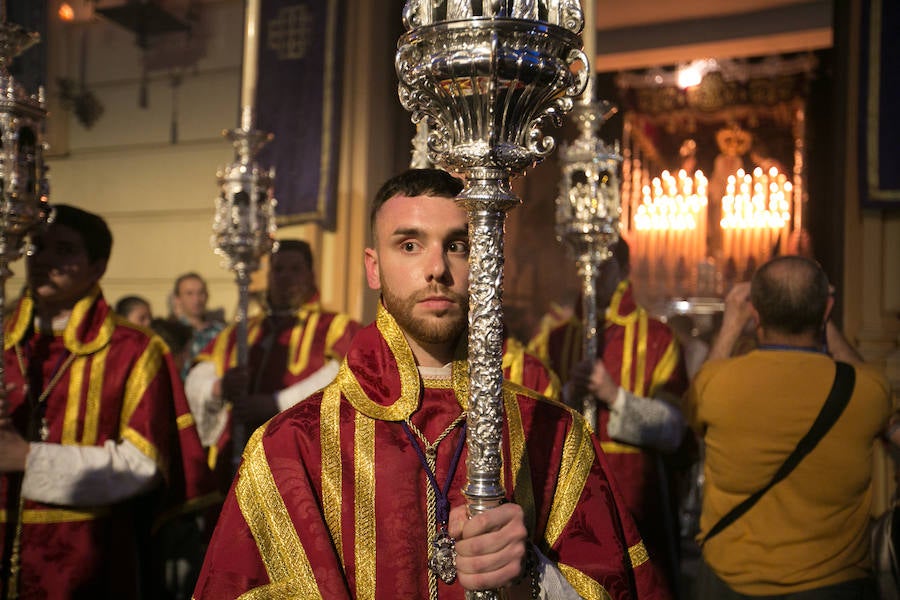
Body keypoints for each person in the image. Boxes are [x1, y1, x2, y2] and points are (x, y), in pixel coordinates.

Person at [194, 168, 670, 599]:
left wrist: (528, 575)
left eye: (457, 245)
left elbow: (614, 588)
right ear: (373, 266)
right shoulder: (290, 445)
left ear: (482, 260)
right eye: (409, 245)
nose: (437, 268)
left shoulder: (555, 434)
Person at [0, 204, 214, 598]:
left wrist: (29, 458)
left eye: (64, 250)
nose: (44, 260)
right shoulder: (6, 338)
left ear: (97, 267)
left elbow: (142, 464)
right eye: (37, 247)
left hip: (83, 562)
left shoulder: (133, 348)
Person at [686, 256, 891, 599]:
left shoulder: (716, 383)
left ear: (755, 313)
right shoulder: (866, 391)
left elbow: (692, 408)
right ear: (826, 309)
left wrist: (731, 324)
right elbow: (878, 396)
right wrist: (824, 317)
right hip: (834, 585)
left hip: (731, 582)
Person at [528, 238, 690, 592]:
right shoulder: (551, 338)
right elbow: (529, 417)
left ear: (625, 270)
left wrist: (614, 395)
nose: (594, 276)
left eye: (605, 266)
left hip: (634, 498)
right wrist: (568, 394)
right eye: (587, 265)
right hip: (565, 493)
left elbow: (673, 429)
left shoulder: (657, 338)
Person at [185, 239, 362, 488]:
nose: (285, 277)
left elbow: (341, 378)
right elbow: (198, 375)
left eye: (295, 269)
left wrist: (275, 403)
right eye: (278, 270)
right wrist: (219, 387)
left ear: (311, 275)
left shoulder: (335, 327)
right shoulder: (243, 330)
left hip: (301, 461)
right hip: (238, 461)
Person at [170, 272, 225, 379]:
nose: (196, 299)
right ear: (177, 298)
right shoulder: (171, 331)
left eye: (201, 293)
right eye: (189, 293)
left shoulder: (219, 331)